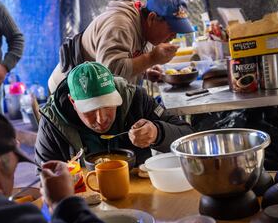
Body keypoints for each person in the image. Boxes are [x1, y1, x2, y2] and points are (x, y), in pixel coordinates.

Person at [36, 62, 194, 166]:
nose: (101, 119)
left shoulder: (135, 99)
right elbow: (45, 176)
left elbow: (188, 137)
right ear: (72, 102)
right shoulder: (52, 122)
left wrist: (157, 133)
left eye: (108, 106)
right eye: (90, 110)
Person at [48, 0, 194, 93]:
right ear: (152, 18)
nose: (174, 36)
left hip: (90, 88)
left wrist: (144, 72)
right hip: (66, 89)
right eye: (171, 29)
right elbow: (109, 72)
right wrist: (151, 59)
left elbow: (128, 57)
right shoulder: (119, 26)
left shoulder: (145, 27)